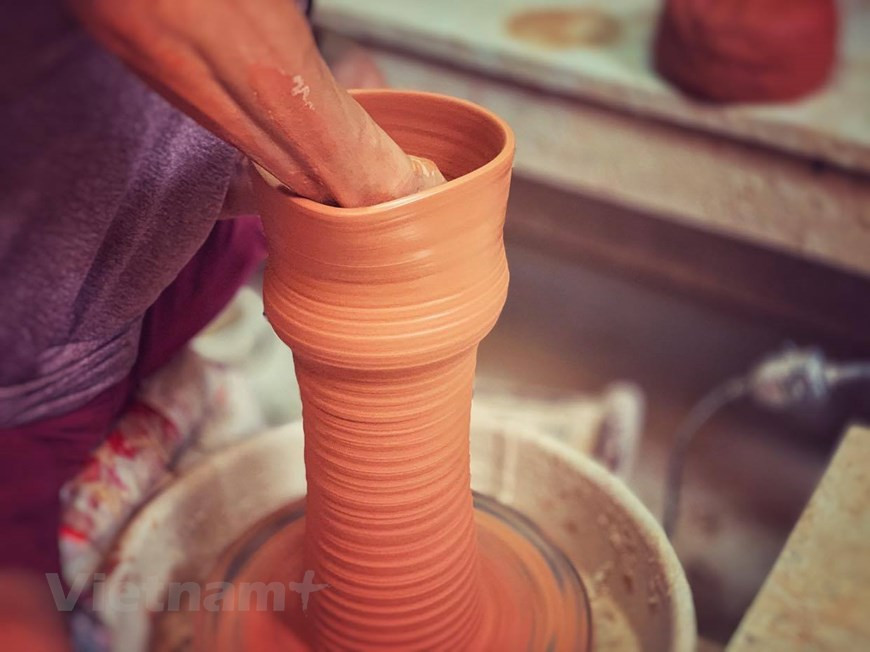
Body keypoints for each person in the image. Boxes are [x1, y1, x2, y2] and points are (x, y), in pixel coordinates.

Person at [0, 1, 444, 648]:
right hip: (25, 356)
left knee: (358, 88)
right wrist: (379, 187)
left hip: (131, 247)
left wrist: (271, 157)